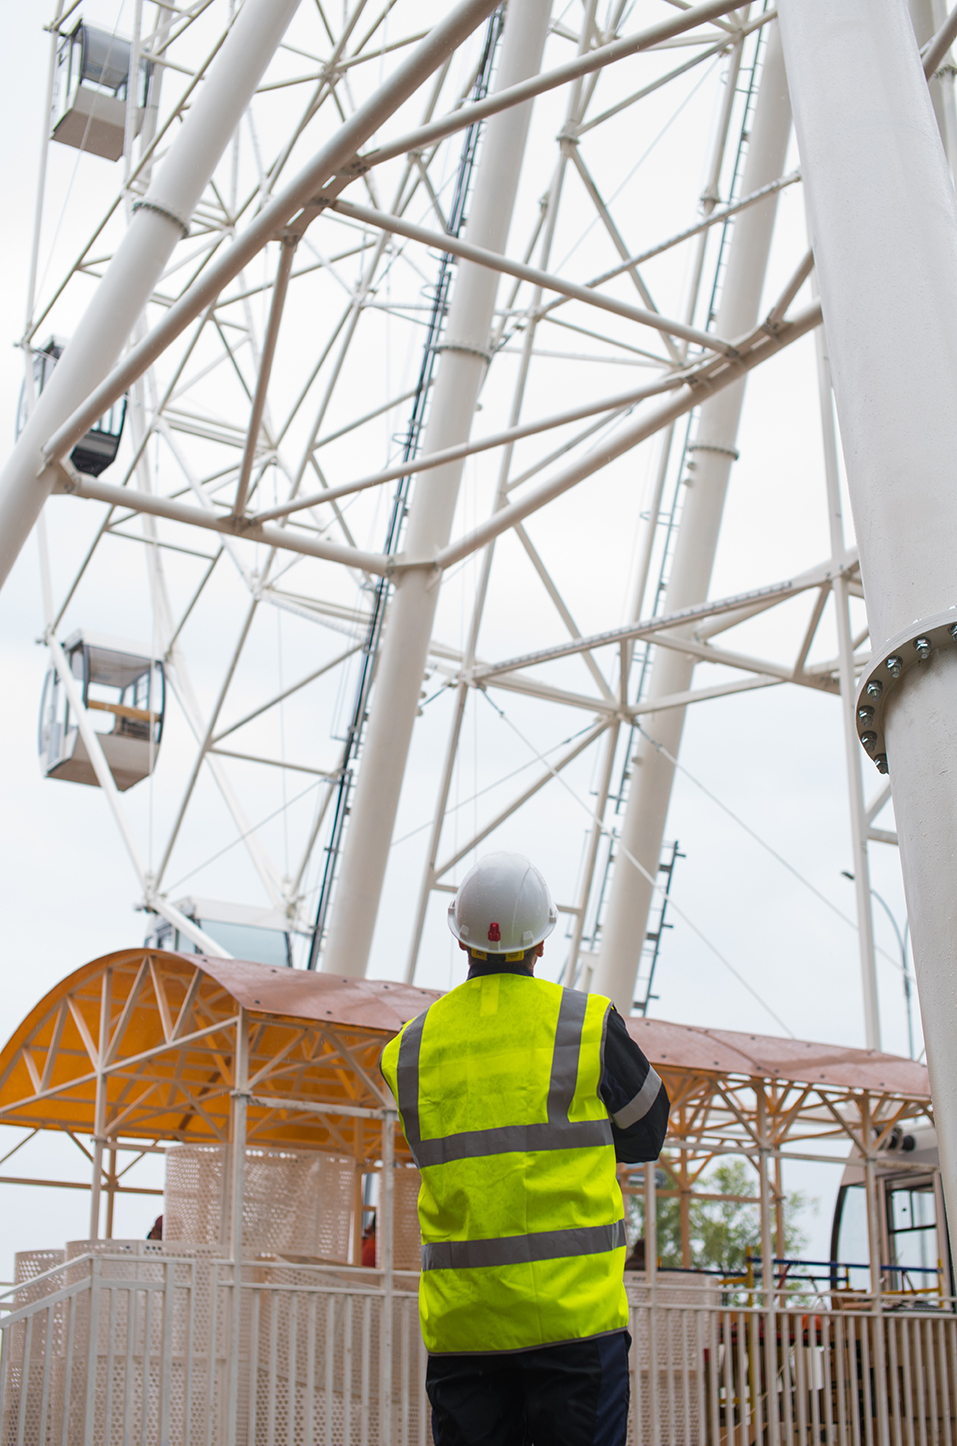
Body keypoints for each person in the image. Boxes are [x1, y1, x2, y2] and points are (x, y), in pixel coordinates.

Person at [380, 852, 669, 1446]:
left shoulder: (409, 1049)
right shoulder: (583, 1024)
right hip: (576, 1322)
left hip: (465, 1327)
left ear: (461, 942)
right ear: (541, 943)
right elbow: (647, 1129)